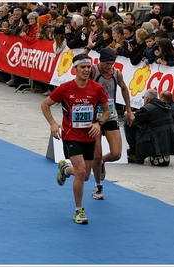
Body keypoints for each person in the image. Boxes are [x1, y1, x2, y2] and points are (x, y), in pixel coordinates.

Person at [40, 54, 110, 224]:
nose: (86, 70)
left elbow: (107, 111)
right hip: (71, 136)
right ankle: (79, 210)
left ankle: (65, 170)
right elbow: (45, 104)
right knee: (81, 172)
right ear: (75, 69)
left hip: (89, 137)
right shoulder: (65, 88)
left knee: (85, 176)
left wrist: (99, 124)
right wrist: (53, 123)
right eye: (83, 67)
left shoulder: (97, 89)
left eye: (88, 67)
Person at [86, 48, 135, 200]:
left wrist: (129, 110)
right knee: (96, 154)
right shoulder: (93, 72)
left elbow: (124, 88)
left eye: (112, 63)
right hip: (94, 118)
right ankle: (98, 185)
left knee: (116, 154)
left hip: (110, 116)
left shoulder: (116, 74)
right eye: (107, 64)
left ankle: (102, 162)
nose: (109, 67)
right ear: (100, 61)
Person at [124, 89, 174, 165]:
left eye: (144, 98)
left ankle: (135, 154)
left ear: (147, 99)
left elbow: (132, 119)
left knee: (127, 123)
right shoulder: (163, 106)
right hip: (166, 142)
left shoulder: (147, 108)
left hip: (155, 139)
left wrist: (128, 114)